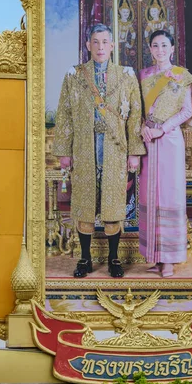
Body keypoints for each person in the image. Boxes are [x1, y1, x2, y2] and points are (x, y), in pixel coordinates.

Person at [53, 24, 145, 278]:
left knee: (113, 205)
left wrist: (134, 151)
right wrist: (64, 150)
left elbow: (135, 114)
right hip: (84, 148)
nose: (101, 47)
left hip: (115, 149)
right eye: (96, 42)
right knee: (84, 204)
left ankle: (114, 259)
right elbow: (65, 114)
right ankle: (84, 259)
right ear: (88, 45)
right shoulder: (74, 75)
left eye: (105, 42)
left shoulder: (126, 75)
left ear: (113, 46)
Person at [138, 30, 192, 278]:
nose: (160, 49)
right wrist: (143, 127)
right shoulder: (143, 75)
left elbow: (187, 112)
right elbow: (137, 108)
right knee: (149, 196)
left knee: (169, 196)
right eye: (155, 45)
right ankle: (153, 255)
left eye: (164, 45)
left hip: (169, 140)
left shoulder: (182, 76)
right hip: (147, 141)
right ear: (150, 49)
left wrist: (161, 129)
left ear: (172, 48)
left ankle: (170, 260)